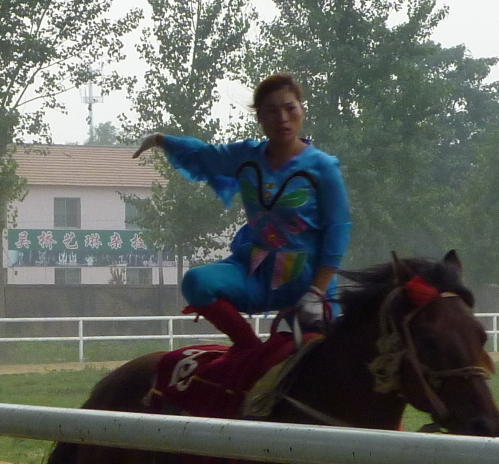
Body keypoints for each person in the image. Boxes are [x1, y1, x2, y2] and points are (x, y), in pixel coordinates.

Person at [133, 72, 351, 351]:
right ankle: (251, 350)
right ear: (259, 118)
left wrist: (317, 292)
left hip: (308, 284)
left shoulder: (323, 167)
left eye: (289, 108)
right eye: (271, 111)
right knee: (197, 282)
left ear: (302, 111)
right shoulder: (247, 156)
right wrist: (160, 139)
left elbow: (339, 228)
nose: (282, 118)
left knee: (323, 370)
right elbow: (205, 155)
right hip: (257, 273)